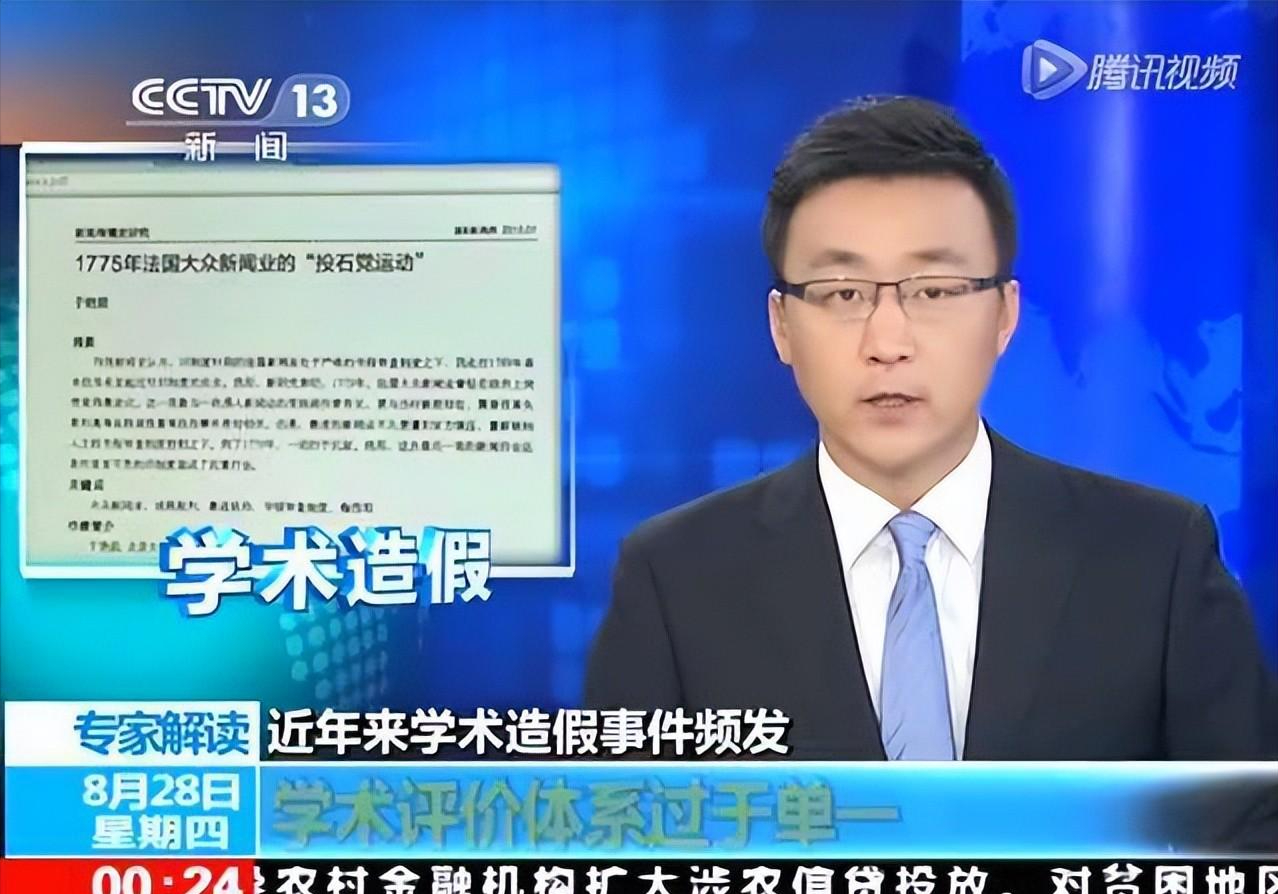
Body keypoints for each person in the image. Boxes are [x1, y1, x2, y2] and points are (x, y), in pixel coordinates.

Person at [584, 95, 1278, 762]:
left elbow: (1241, 829)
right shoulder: (676, 579)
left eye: (935, 291)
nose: (888, 342)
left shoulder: (1157, 560)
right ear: (782, 325)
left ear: (1004, 315)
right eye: (843, 294)